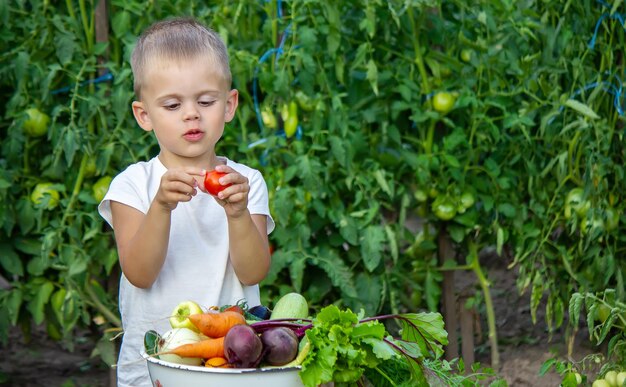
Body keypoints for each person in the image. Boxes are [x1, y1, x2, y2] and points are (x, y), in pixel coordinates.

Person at [98, 17, 274, 386]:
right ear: (144, 116)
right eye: (173, 105)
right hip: (153, 367)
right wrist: (160, 207)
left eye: (206, 101)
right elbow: (140, 273)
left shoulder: (245, 184)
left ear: (229, 105)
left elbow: (253, 272)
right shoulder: (133, 186)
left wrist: (238, 213)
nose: (192, 113)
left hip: (229, 362)